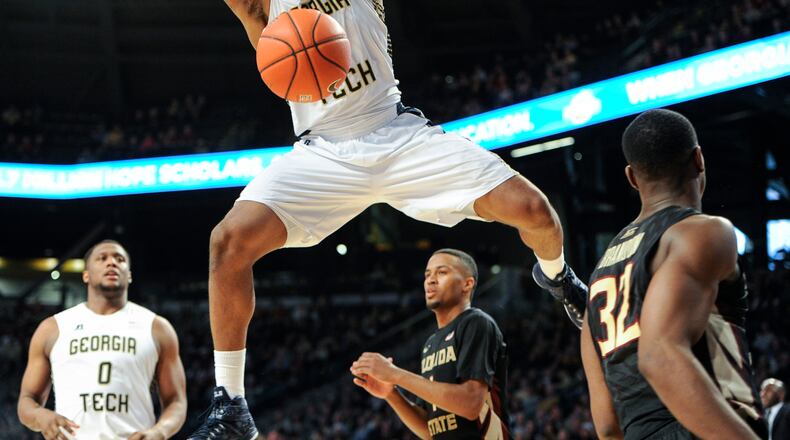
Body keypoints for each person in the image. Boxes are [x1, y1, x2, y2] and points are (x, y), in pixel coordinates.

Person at [189, 1, 586, 438]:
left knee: (535, 212)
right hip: (322, 152)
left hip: (397, 135)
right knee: (227, 243)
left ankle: (557, 277)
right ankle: (232, 406)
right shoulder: (263, 7)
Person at [580, 109, 767, 439]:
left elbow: (608, 425)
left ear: (632, 177)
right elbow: (659, 355)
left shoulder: (600, 273)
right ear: (698, 159)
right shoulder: (702, 231)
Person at [17, 240, 187, 440]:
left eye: (119, 259)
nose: (112, 263)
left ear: (129, 275)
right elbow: (27, 401)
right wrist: (41, 417)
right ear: (86, 275)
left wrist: (159, 432)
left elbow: (176, 401)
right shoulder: (53, 328)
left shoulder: (157, 327)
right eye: (102, 258)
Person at [351, 249, 508, 439]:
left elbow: (470, 404)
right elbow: (429, 430)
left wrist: (395, 373)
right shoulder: (430, 343)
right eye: (428, 274)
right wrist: (392, 394)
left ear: (467, 284)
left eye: (442, 272)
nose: (431, 280)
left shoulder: (476, 323)